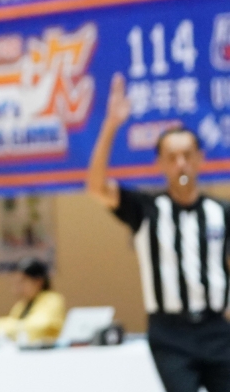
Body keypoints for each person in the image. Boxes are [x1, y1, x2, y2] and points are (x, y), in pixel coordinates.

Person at [87, 73, 230, 392]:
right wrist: (110, 125)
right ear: (160, 164)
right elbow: (96, 187)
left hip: (217, 328)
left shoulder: (220, 212)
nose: (181, 164)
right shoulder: (146, 208)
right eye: (172, 158)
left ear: (200, 160)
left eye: (187, 156)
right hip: (170, 333)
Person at [0, 258, 65, 344]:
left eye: (22, 281)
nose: (17, 288)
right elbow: (13, 325)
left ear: (38, 281)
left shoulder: (52, 300)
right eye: (16, 283)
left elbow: (35, 328)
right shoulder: (22, 305)